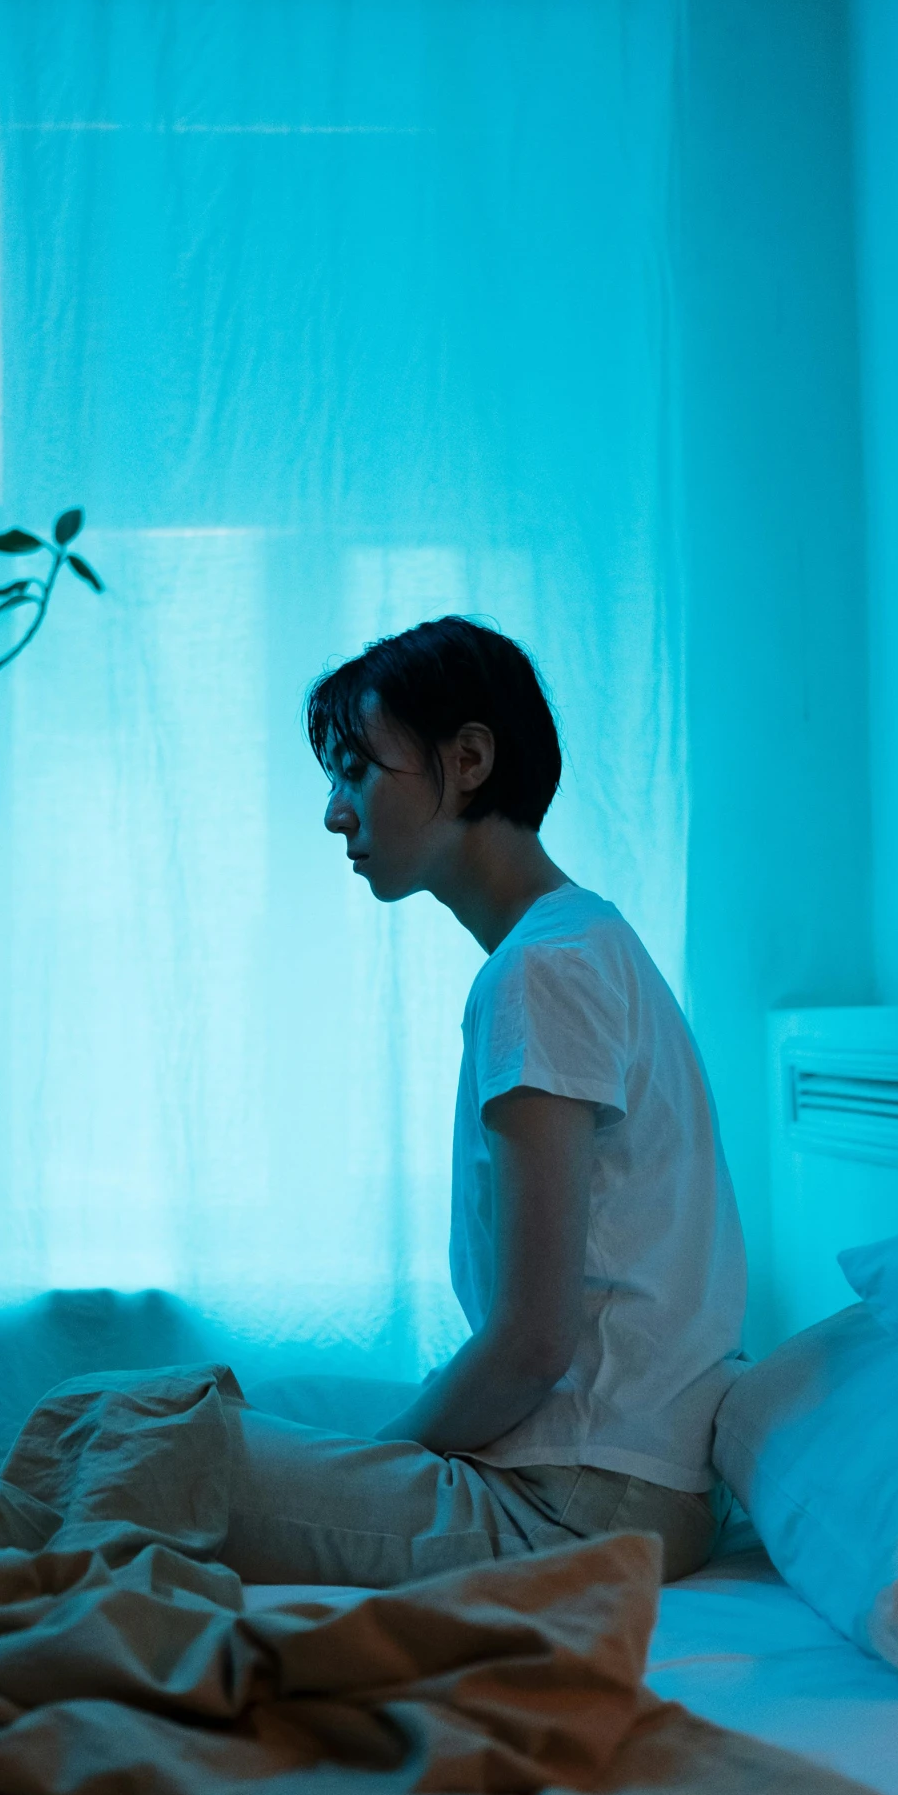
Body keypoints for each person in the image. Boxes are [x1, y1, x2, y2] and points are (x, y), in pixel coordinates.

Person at [217, 615, 745, 1588]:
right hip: (623, 1485)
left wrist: (372, 1466)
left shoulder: (542, 972)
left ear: (465, 761)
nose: (335, 812)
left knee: (140, 1444)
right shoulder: (582, 944)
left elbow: (531, 1344)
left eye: (355, 771)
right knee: (223, 1407)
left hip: (580, 1504)